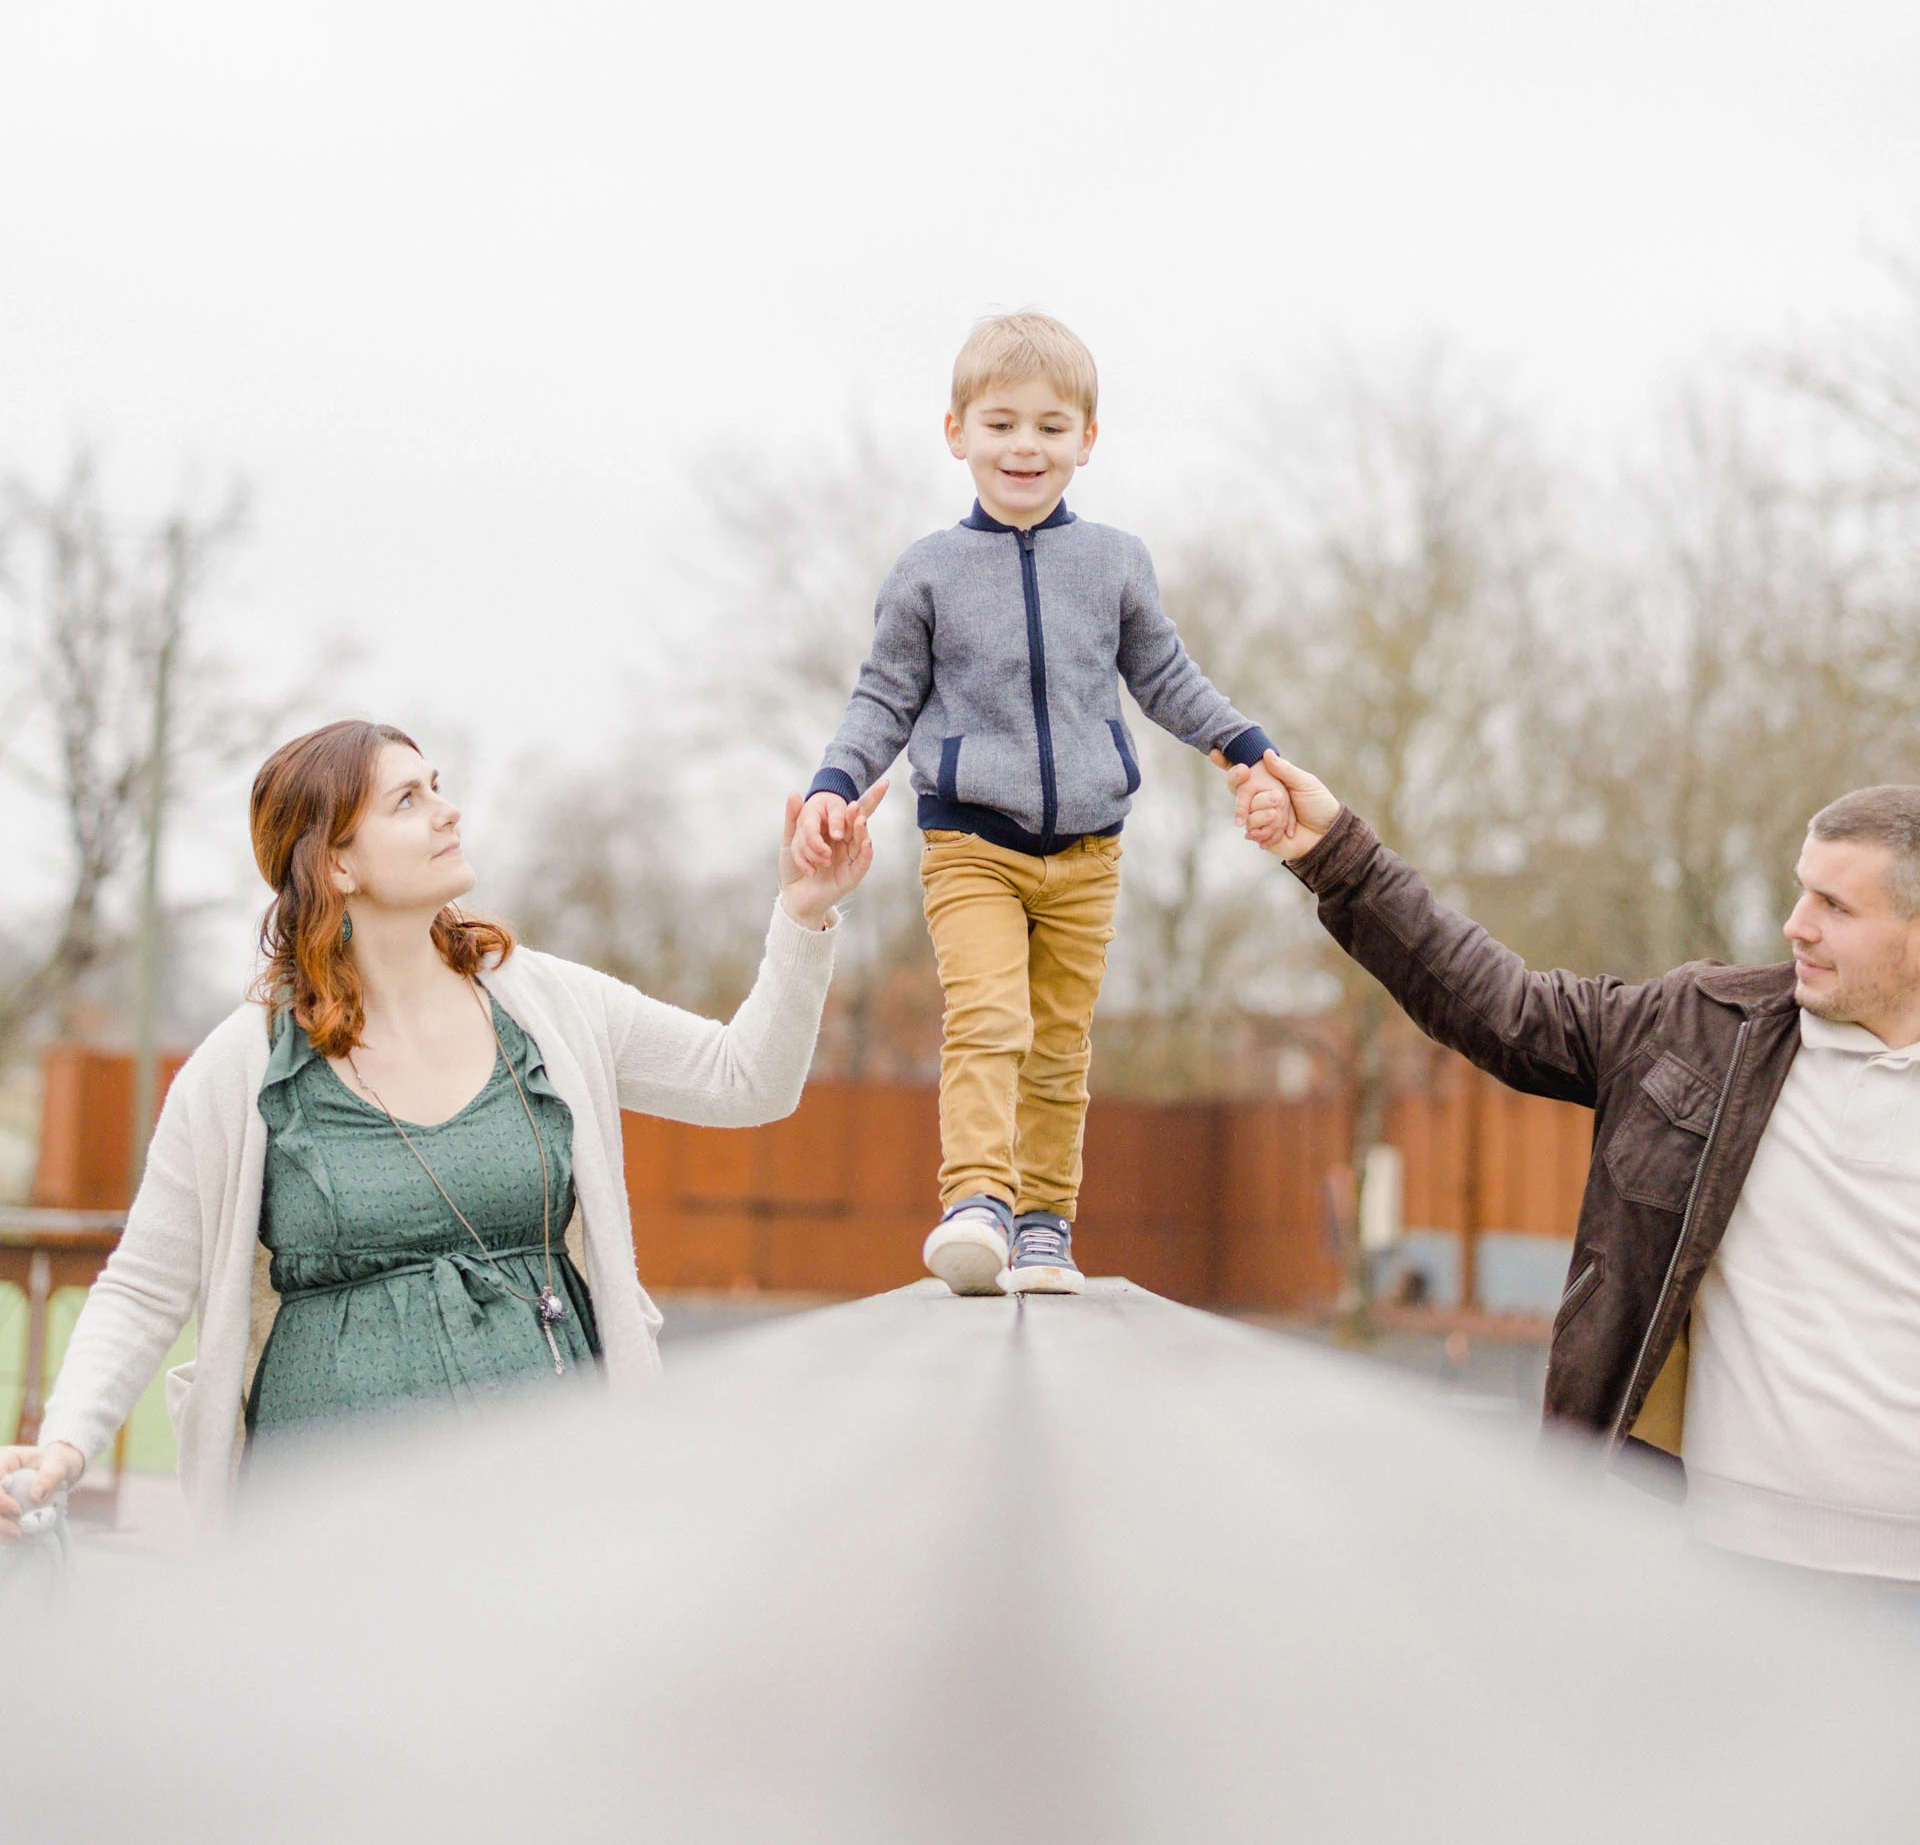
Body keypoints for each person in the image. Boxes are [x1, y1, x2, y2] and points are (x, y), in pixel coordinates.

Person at [0, 718, 877, 1539]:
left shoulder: (551, 1004)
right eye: (407, 800)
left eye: (437, 786)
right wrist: (66, 1444)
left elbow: (745, 1080)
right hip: (323, 1523)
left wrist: (803, 915)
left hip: (552, 1492)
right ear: (336, 863)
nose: (448, 811)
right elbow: (145, 1286)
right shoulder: (240, 1069)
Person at [1233, 753, 1920, 1594]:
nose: (1795, 925)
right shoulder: (1706, 1032)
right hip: (1735, 1569)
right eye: (1802, 890)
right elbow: (1507, 1008)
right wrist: (1339, 855)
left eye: (1835, 906)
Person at [792, 311, 1290, 1297]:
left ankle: (1044, 1227)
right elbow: (883, 697)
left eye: (1052, 427)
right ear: (957, 433)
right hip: (971, 843)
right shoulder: (928, 573)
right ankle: (977, 1202)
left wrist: (1247, 749)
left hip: (1089, 854)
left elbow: (1167, 677)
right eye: (1002, 424)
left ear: (1086, 441)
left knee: (1060, 1048)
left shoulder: (1115, 563)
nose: (1026, 446)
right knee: (989, 1018)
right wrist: (831, 785)